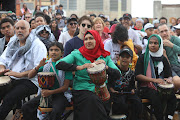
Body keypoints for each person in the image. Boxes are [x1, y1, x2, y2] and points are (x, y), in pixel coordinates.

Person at [56, 30, 121, 120]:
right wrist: (80, 67)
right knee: (92, 100)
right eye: (86, 39)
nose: (88, 41)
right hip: (82, 90)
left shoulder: (104, 56)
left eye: (91, 38)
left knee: (101, 101)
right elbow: (59, 64)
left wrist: (105, 67)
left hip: (101, 90)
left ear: (97, 40)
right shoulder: (77, 54)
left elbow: (118, 74)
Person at [0, 20, 47, 120]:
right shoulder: (13, 41)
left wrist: (19, 75)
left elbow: (38, 69)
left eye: (23, 28)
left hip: (31, 81)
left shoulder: (37, 45)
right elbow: (3, 59)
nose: (19, 31)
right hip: (12, 77)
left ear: (29, 30)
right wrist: (2, 68)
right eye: (17, 28)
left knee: (9, 98)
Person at [22, 42, 71, 120]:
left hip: (60, 95)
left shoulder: (65, 66)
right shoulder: (46, 64)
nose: (53, 52)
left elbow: (65, 87)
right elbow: (30, 75)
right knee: (26, 107)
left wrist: (50, 92)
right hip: (45, 94)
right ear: (48, 52)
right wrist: (38, 66)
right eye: (51, 50)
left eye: (56, 50)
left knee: (56, 111)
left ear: (62, 53)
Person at [135, 34, 177, 120]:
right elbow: (138, 76)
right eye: (150, 43)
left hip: (159, 86)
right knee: (156, 96)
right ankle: (159, 118)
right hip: (145, 87)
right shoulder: (143, 57)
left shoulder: (163, 59)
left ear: (160, 45)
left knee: (172, 97)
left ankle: (169, 117)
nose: (153, 45)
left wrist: (169, 79)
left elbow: (168, 74)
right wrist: (154, 80)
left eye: (155, 43)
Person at [109, 47, 143, 120]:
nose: (124, 59)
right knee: (121, 104)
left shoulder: (132, 73)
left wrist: (132, 90)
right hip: (116, 94)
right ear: (118, 58)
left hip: (126, 93)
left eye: (127, 57)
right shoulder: (113, 69)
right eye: (122, 56)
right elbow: (109, 83)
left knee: (138, 102)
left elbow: (132, 86)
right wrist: (111, 89)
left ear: (131, 60)